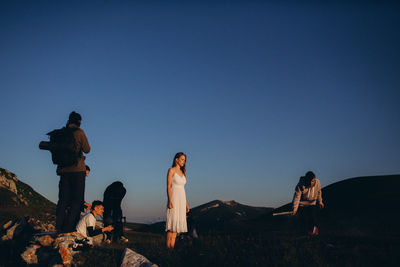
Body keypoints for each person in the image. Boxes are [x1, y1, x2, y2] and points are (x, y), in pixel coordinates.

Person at [56, 111, 91, 233]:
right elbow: (87, 149)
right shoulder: (79, 132)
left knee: (63, 200)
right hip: (77, 171)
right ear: (79, 121)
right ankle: (68, 229)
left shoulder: (61, 132)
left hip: (63, 171)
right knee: (77, 201)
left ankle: (59, 227)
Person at [166, 152, 190, 249]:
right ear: (176, 159)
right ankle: (167, 250)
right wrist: (169, 200)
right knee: (171, 227)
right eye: (182, 159)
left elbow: (183, 190)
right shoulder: (171, 170)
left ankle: (171, 250)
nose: (184, 162)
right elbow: (168, 186)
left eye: (184, 160)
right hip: (174, 199)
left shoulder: (183, 173)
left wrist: (186, 205)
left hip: (181, 200)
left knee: (176, 228)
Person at [292, 171, 324, 235]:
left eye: (312, 181)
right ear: (306, 180)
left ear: (314, 179)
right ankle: (303, 232)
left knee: (312, 217)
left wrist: (320, 201)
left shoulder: (318, 182)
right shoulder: (300, 185)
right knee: (303, 218)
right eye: (309, 181)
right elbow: (297, 197)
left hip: (312, 203)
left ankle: (312, 231)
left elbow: (319, 192)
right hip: (302, 203)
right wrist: (295, 208)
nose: (311, 183)